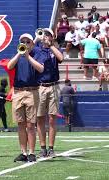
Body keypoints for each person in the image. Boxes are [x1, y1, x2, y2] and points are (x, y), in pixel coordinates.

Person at [7, 33, 45, 162]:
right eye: (23, 42)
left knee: (31, 124)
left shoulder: (37, 54)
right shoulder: (18, 56)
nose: (25, 44)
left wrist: (28, 56)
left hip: (31, 91)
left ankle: (32, 152)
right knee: (20, 124)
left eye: (27, 42)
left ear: (32, 44)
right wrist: (20, 54)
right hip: (18, 92)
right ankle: (23, 152)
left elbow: (40, 69)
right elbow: (9, 66)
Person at [36, 28, 64, 158]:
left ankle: (51, 147)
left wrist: (51, 45)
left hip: (53, 86)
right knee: (40, 117)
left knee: (52, 118)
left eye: (48, 35)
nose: (45, 36)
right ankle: (42, 147)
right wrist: (37, 39)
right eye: (44, 35)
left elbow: (61, 58)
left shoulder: (54, 49)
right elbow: (27, 48)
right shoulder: (37, 50)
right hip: (40, 86)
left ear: (52, 37)